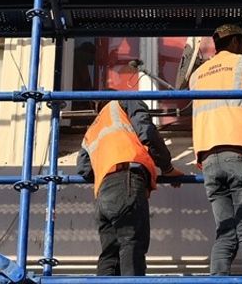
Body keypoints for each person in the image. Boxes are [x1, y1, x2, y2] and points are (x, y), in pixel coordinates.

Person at [191, 24, 242, 276]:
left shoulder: (197, 75)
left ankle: (217, 280)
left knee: (225, 232)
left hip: (209, 157)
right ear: (236, 42)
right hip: (241, 148)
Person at [76, 95, 183, 276]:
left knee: (110, 255)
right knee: (131, 243)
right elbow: (146, 132)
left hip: (103, 193)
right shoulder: (124, 101)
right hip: (126, 181)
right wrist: (167, 167)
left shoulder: (92, 128)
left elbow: (83, 169)